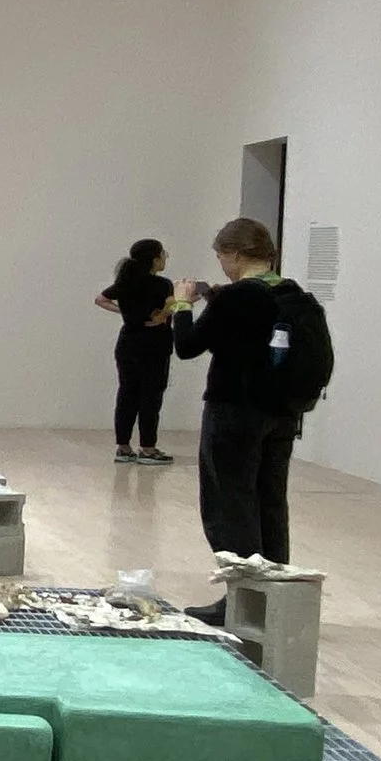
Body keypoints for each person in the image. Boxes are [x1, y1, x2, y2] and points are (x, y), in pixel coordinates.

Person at [169, 217, 293, 623]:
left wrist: (182, 304)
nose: (221, 266)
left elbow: (187, 346)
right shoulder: (290, 293)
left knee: (230, 503)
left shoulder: (236, 298)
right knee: (269, 501)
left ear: (236, 255)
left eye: (222, 256)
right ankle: (273, 597)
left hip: (233, 410)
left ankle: (241, 600)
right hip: (281, 413)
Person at [97, 238, 176, 464]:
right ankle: (148, 448)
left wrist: (126, 313)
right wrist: (164, 314)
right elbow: (172, 306)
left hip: (128, 343)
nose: (165, 258)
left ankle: (123, 448)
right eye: (163, 254)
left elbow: (100, 299)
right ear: (154, 259)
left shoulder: (125, 281)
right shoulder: (163, 284)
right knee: (151, 396)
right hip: (155, 344)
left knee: (127, 394)